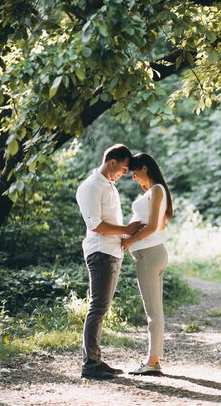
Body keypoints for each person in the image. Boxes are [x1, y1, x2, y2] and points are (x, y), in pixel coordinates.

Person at [76, 144, 143, 380]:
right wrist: (126, 229)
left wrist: (128, 237)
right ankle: (89, 364)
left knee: (101, 308)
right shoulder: (92, 186)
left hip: (112, 251)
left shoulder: (108, 186)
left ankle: (95, 359)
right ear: (112, 162)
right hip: (100, 252)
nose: (125, 173)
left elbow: (110, 222)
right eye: (124, 168)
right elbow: (95, 224)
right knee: (97, 307)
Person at [121, 153, 173, 376]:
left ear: (144, 168)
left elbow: (152, 227)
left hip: (149, 255)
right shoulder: (155, 191)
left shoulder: (157, 190)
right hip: (153, 253)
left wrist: (129, 241)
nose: (133, 177)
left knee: (152, 311)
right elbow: (159, 224)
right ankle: (154, 360)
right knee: (155, 309)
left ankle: (152, 362)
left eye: (134, 172)